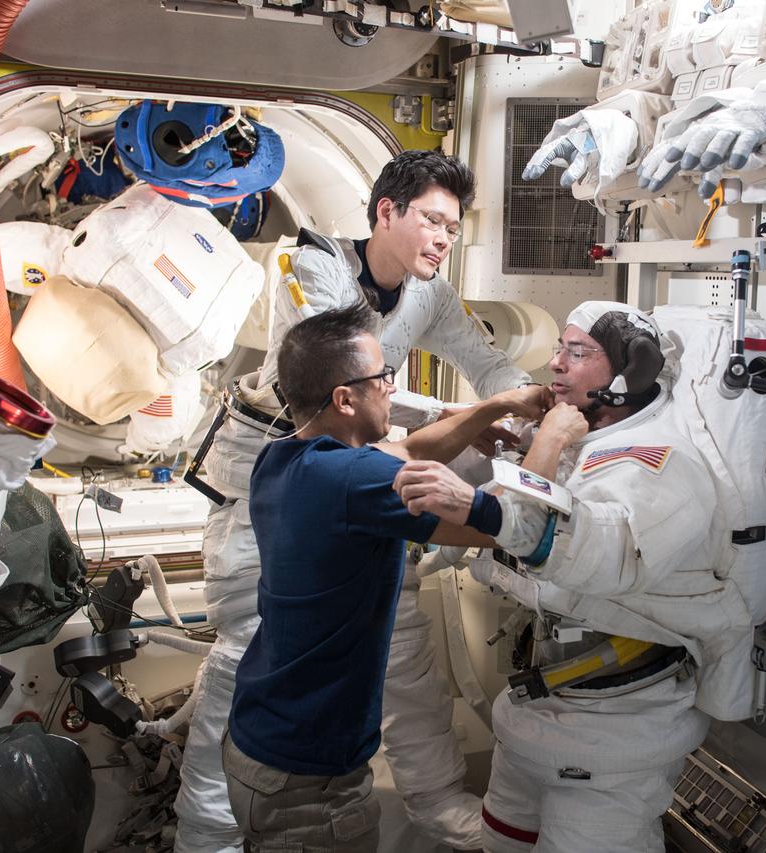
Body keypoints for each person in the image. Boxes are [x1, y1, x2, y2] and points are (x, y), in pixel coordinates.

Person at [177, 150, 530, 853]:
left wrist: (530, 410)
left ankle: (436, 804)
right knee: (251, 645)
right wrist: (478, 417)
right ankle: (205, 838)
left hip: (355, 455)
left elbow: (487, 365)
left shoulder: (430, 294)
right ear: (385, 213)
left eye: (453, 228)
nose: (442, 238)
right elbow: (351, 391)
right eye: (431, 219)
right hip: (274, 461)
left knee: (392, 631)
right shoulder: (319, 270)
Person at [393, 301, 766, 852]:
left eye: (578, 352)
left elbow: (599, 547)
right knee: (502, 844)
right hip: (541, 704)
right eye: (558, 349)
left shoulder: (661, 461)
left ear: (628, 371)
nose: (556, 364)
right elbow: (503, 522)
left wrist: (502, 486)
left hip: (616, 724)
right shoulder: (582, 443)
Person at [223, 304, 549, 853]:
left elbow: (409, 450)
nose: (391, 388)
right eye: (382, 378)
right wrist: (556, 435)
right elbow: (517, 525)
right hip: (307, 783)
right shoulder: (355, 482)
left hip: (260, 746)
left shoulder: (283, 458)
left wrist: (492, 408)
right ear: (345, 399)